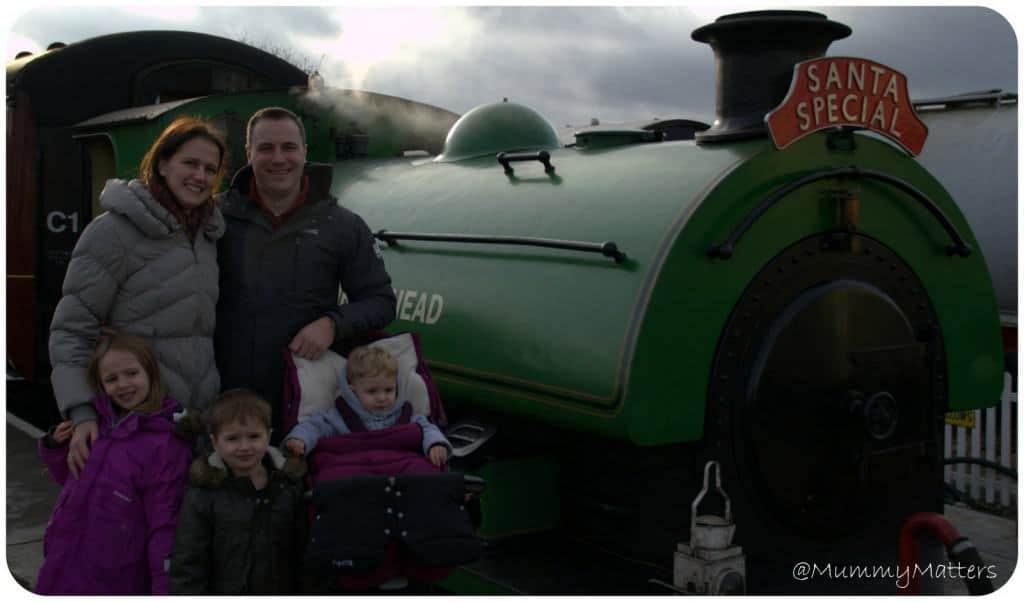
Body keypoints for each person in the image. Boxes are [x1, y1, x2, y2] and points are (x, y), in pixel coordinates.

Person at [48, 116, 227, 477]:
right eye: (190, 163)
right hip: (134, 421)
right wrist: (82, 413)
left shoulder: (208, 236)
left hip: (194, 420)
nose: (200, 176)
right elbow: (71, 329)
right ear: (162, 164)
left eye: (210, 169)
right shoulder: (112, 232)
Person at [215, 106, 396, 440]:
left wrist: (332, 324)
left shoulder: (342, 225)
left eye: (289, 147)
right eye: (266, 148)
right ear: (249, 153)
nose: (278, 158)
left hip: (304, 402)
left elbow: (381, 301)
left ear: (304, 152)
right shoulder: (216, 218)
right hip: (225, 398)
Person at [35, 334, 192, 594]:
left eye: (132, 373)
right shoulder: (97, 425)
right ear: (100, 384)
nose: (123, 385)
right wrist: (55, 447)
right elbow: (71, 480)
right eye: (111, 379)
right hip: (67, 558)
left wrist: (164, 587)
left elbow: (165, 525)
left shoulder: (165, 444)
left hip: (116, 573)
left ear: (151, 373)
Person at [169, 389, 307, 594]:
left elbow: (305, 556)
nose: (244, 447)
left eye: (254, 436)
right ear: (215, 441)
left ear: (268, 435)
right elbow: (188, 563)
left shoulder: (288, 487)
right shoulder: (203, 495)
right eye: (232, 438)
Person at [284, 345, 452, 464]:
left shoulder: (406, 415)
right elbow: (315, 426)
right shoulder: (340, 416)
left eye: (388, 390)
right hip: (357, 472)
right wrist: (300, 439)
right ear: (353, 390)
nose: (382, 398)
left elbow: (427, 429)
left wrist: (435, 444)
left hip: (398, 469)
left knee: (423, 468)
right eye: (372, 391)